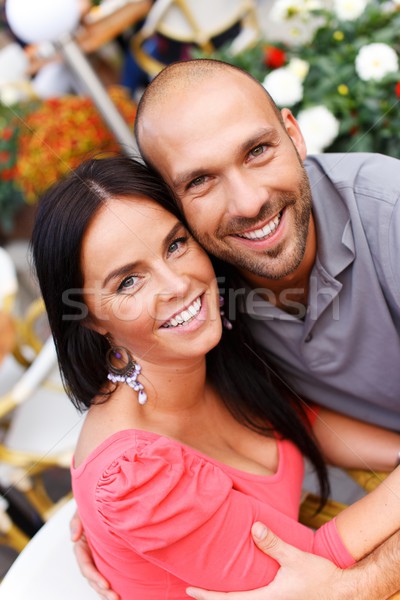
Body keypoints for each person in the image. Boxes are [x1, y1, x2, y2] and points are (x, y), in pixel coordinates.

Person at [73, 58, 400, 600]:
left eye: (258, 150)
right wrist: (118, 523)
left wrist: (363, 582)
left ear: (294, 134)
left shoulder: (387, 212)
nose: (248, 203)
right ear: (172, 205)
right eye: (200, 180)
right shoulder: (202, 279)